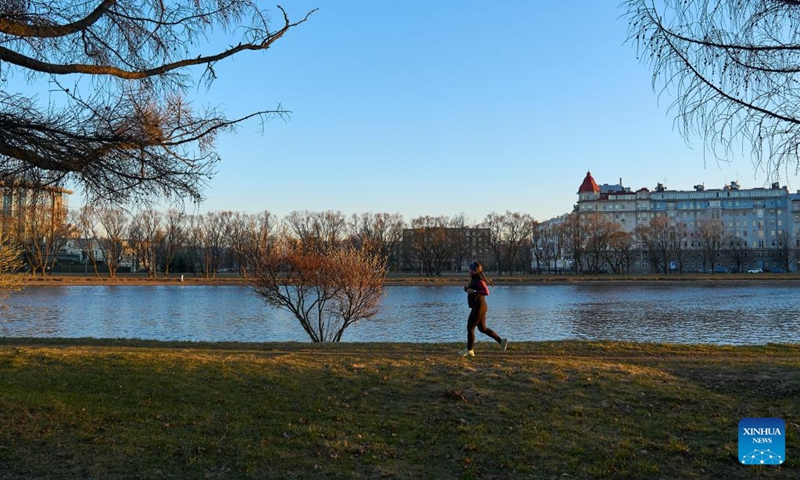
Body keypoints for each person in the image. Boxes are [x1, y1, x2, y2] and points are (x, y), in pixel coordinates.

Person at [458, 261, 508, 357]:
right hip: (480, 306)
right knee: (482, 329)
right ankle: (501, 341)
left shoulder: (479, 280)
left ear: (475, 271)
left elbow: (486, 292)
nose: (469, 271)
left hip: (479, 307)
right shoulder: (474, 279)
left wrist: (474, 291)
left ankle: (469, 350)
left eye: (470, 269)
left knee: (470, 327)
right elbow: (474, 291)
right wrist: (467, 290)